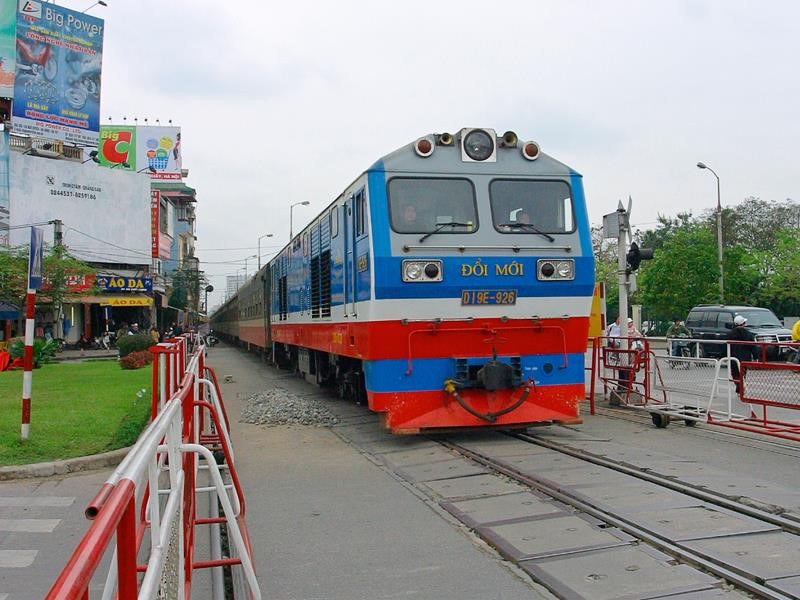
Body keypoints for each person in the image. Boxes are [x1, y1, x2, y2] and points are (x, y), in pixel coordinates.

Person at [727, 315, 755, 394]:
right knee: (743, 374)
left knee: (735, 374)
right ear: (744, 323)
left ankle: (739, 387)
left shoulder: (730, 334)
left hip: (733, 357)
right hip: (745, 358)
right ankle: (741, 387)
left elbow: (726, 346)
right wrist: (756, 356)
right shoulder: (749, 334)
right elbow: (753, 346)